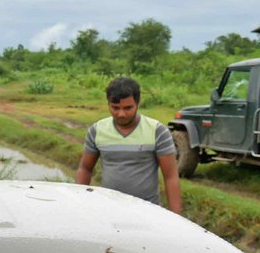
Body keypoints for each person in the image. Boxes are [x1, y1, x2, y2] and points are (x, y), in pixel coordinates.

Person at [76, 77, 181, 213]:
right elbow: (85, 168)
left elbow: (171, 176)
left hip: (147, 211)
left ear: (137, 103)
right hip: (109, 210)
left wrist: (177, 219)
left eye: (128, 108)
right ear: (108, 104)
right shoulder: (97, 130)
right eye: (115, 108)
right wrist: (79, 205)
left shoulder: (157, 131)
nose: (121, 114)